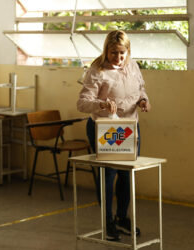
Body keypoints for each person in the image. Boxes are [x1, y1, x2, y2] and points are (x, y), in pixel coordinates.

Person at [77, 30, 151, 241]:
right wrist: (101, 104)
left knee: (127, 172)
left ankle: (122, 218)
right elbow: (82, 103)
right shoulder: (96, 70)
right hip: (105, 129)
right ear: (105, 50)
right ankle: (107, 220)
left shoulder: (133, 66)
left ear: (128, 51)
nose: (118, 58)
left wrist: (143, 100)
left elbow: (141, 88)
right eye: (113, 53)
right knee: (108, 174)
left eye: (122, 53)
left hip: (129, 127)